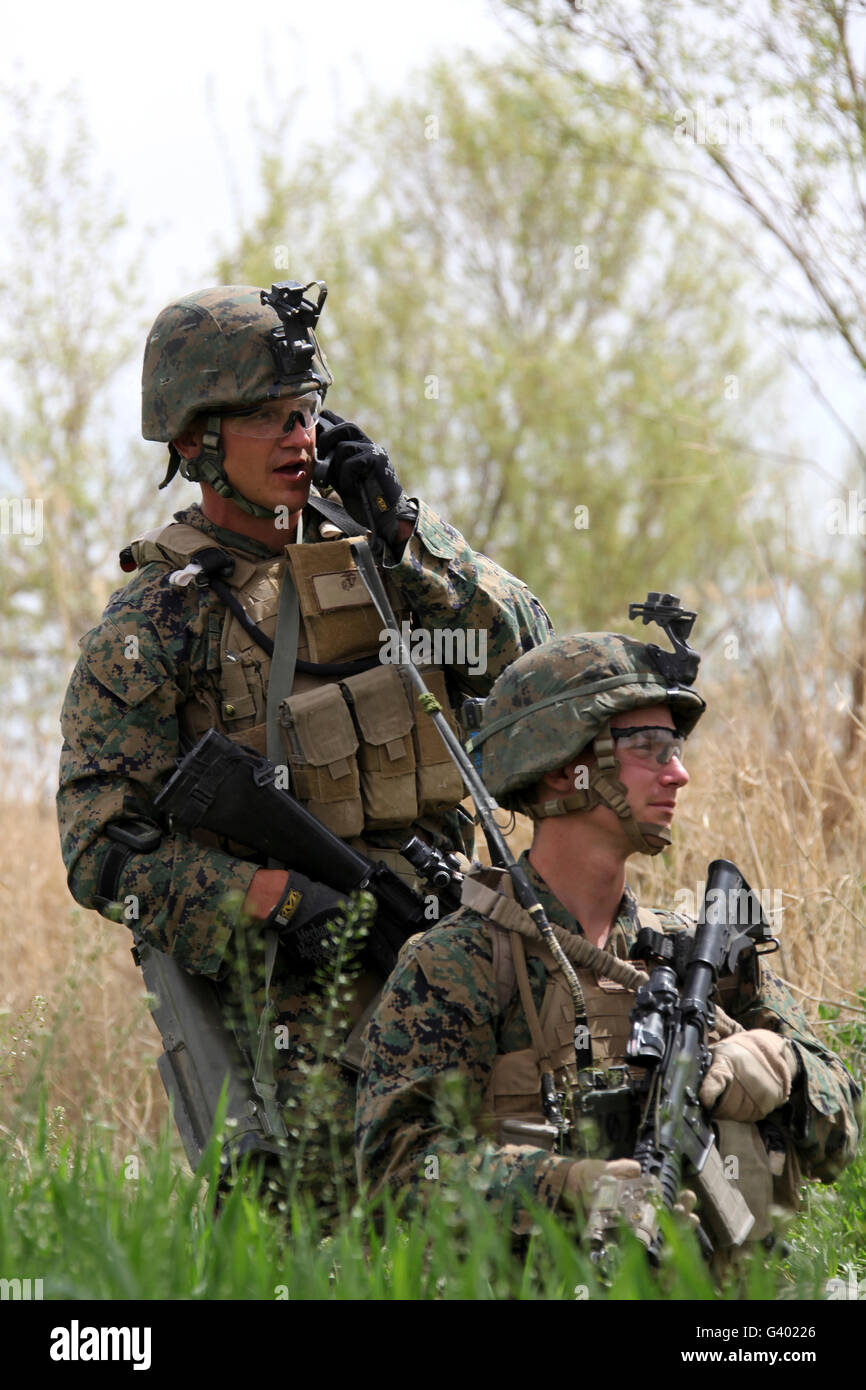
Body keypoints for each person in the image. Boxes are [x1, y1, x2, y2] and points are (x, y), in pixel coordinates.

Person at [56, 279, 552, 1210]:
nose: (299, 438)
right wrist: (279, 899)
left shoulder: (381, 556)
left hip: (451, 956)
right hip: (297, 1018)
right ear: (198, 441)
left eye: (307, 412)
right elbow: (101, 853)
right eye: (268, 418)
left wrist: (409, 531)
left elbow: (533, 664)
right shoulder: (159, 620)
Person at [355, 622, 861, 1251]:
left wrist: (783, 1069)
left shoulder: (699, 956)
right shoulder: (459, 963)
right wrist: (562, 1184)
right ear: (567, 767)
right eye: (651, 747)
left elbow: (846, 1130)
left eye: (675, 748)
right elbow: (396, 1175)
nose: (678, 775)